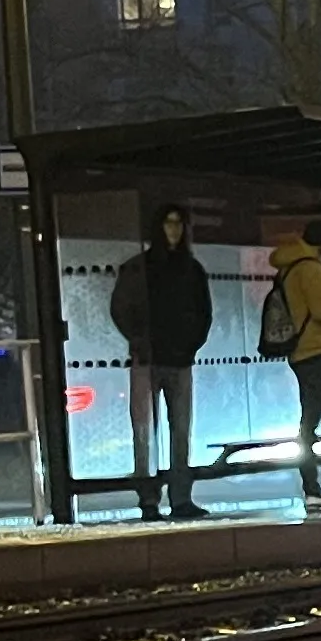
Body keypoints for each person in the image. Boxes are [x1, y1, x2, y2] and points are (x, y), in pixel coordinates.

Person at [108, 203, 214, 519]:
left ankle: (172, 498)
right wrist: (144, 342)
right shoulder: (155, 268)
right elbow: (122, 309)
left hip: (166, 358)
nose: (174, 230)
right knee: (150, 431)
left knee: (171, 430)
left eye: (178, 224)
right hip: (155, 358)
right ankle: (154, 499)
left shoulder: (178, 269)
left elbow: (203, 314)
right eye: (169, 223)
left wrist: (187, 344)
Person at [264, 215, 321, 503]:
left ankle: (311, 488)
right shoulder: (312, 269)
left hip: (300, 353)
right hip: (320, 350)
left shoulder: (288, 267)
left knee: (310, 422)